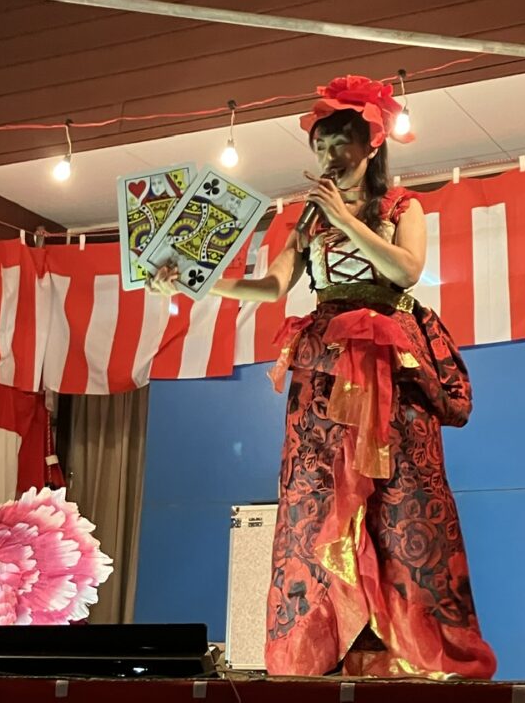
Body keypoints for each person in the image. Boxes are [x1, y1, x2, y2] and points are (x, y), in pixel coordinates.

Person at [151, 75, 496, 679]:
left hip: (390, 362)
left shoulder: (401, 206)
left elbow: (408, 270)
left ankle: (414, 650)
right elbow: (275, 286)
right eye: (319, 147)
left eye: (338, 145)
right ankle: (325, 646)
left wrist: (350, 220)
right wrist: (195, 280)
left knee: (403, 495)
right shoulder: (308, 217)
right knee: (318, 498)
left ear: (370, 147)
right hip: (327, 368)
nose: (327, 158)